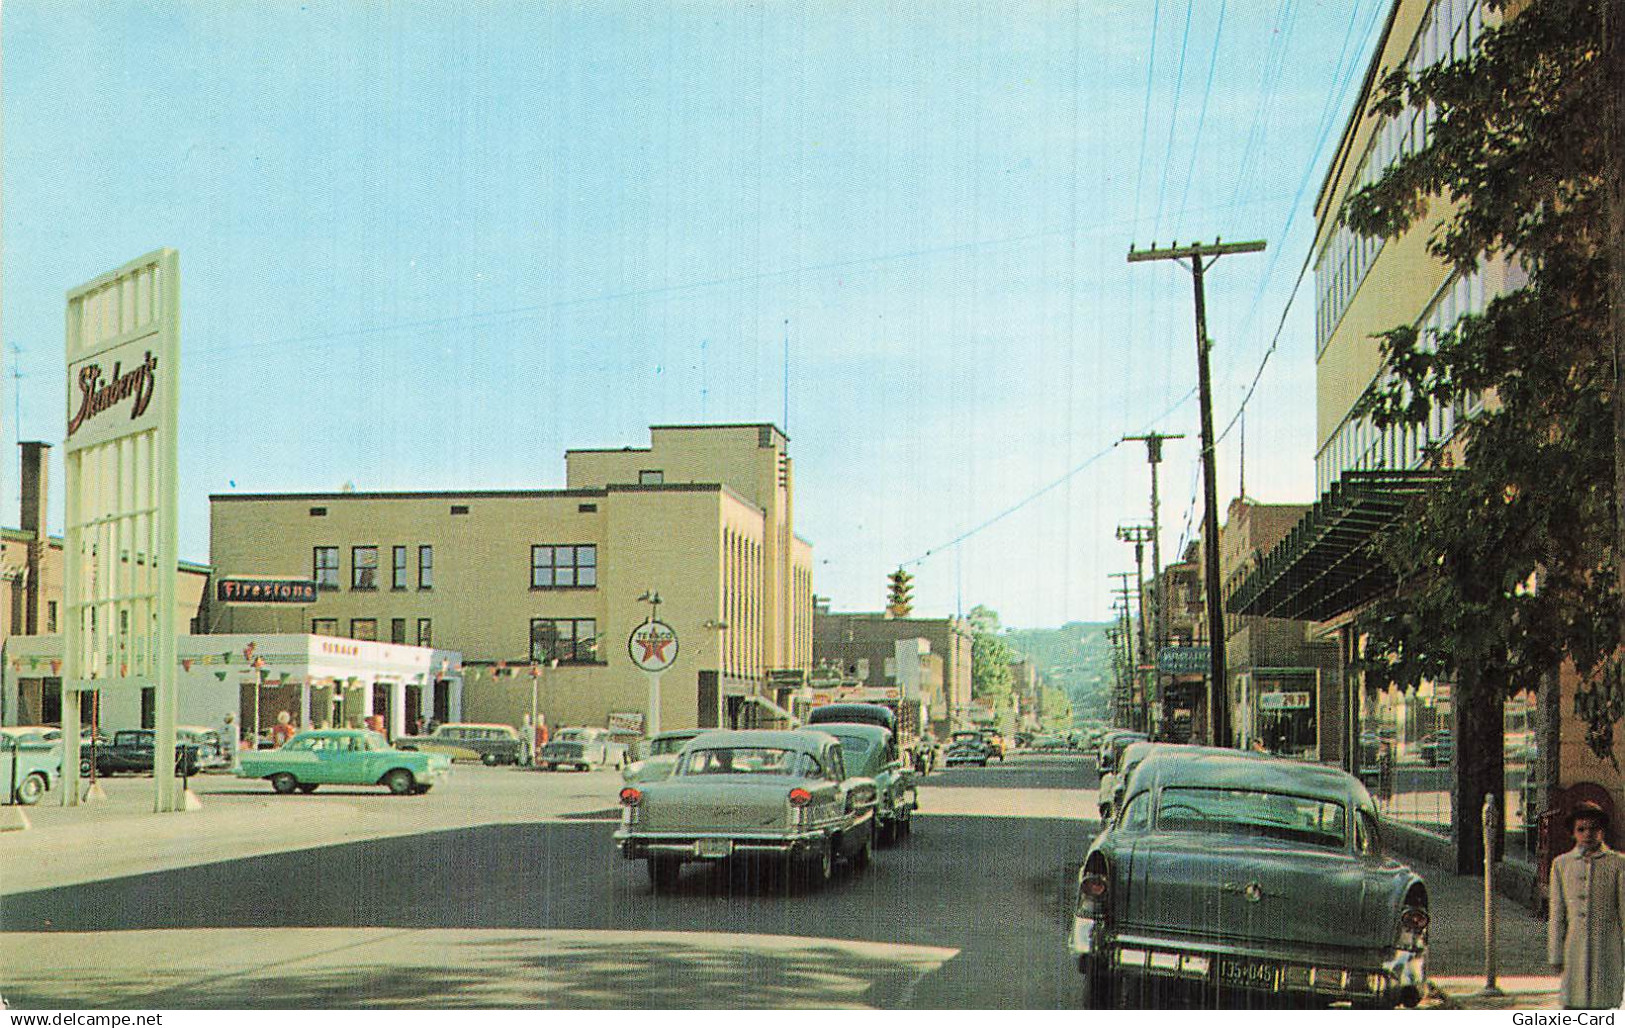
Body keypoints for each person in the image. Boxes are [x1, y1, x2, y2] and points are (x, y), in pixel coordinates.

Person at [1549, 803, 1625, 1008]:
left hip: (1607, 946)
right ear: (1573, 833)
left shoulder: (1617, 863)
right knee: (1574, 1002)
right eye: (1581, 829)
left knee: (1604, 1003)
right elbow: (1556, 913)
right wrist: (1555, 953)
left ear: (1603, 831)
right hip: (1575, 945)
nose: (1588, 834)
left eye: (1594, 828)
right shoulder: (1562, 864)